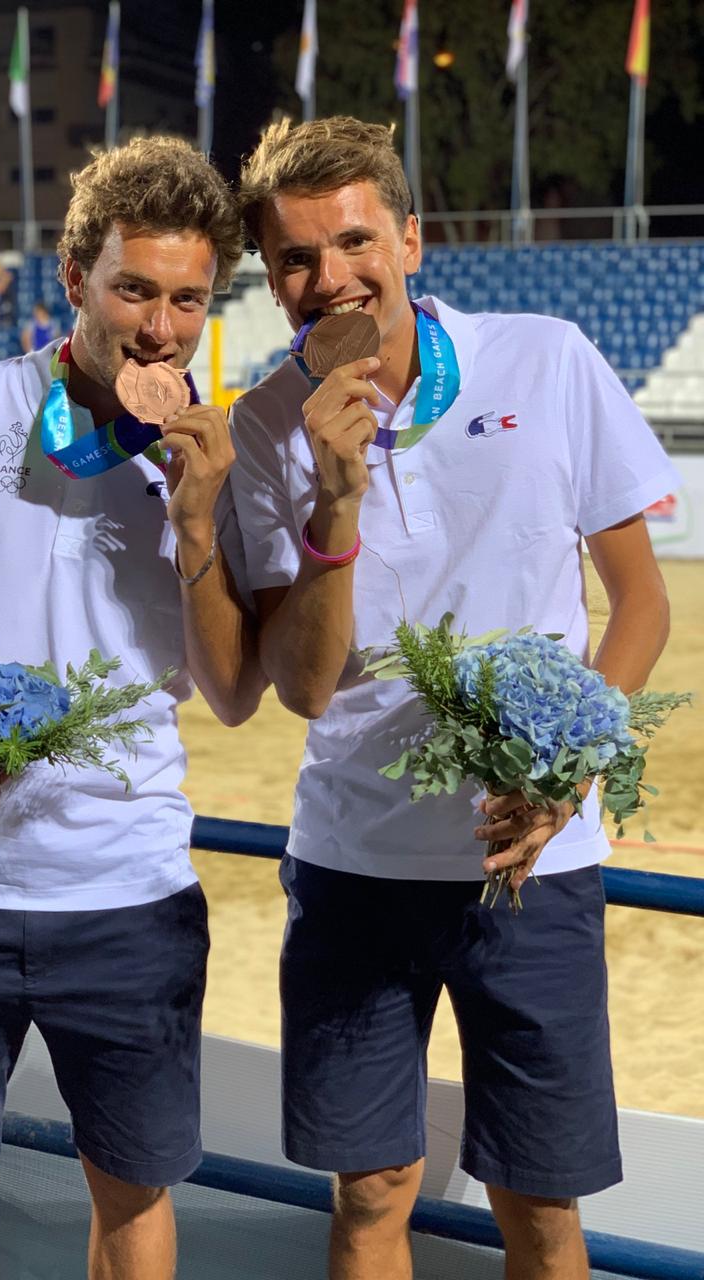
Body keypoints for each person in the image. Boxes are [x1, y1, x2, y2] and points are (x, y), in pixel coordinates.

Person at [229, 116, 679, 1280]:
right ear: (271, 278)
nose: (329, 276)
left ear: (412, 238)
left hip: (534, 861)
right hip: (353, 861)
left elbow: (639, 605)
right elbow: (305, 687)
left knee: (541, 1205)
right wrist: (334, 495)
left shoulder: (546, 357)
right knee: (371, 1195)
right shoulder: (265, 426)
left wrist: (568, 765)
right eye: (294, 258)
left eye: (355, 240)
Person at [0, 135, 265, 1280]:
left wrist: (199, 520)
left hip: (129, 890)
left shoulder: (217, 457)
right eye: (134, 290)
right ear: (75, 280)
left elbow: (231, 692)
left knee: (131, 1193)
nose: (161, 327)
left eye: (188, 299)